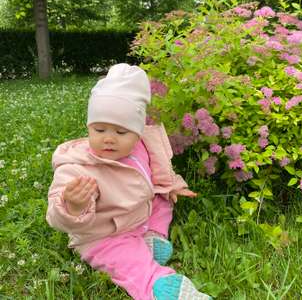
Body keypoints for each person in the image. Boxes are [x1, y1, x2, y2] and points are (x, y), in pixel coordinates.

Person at [46, 63, 211, 300]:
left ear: (137, 133)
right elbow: (55, 215)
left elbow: (158, 169)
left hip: (138, 211)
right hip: (104, 234)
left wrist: (173, 185)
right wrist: (72, 206)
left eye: (121, 132)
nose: (109, 139)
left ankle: (152, 235)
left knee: (162, 201)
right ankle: (159, 285)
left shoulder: (142, 145)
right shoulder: (76, 166)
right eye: (99, 129)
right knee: (128, 262)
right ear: (89, 127)